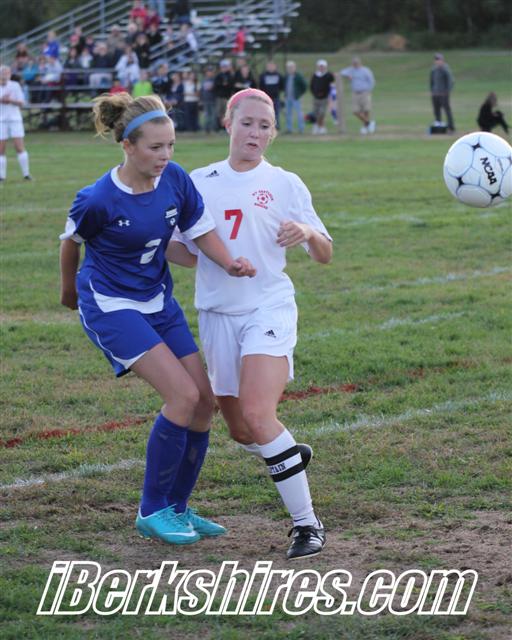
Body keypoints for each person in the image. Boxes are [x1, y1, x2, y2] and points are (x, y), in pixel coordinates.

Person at [59, 92, 256, 546]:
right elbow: (71, 242)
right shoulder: (98, 198)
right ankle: (151, 510)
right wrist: (69, 292)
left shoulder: (175, 179)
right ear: (127, 146)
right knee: (182, 397)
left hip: (157, 301)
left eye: (170, 145)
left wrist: (229, 263)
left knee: (204, 402)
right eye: (155, 147)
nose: (165, 155)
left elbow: (200, 230)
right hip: (111, 304)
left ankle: (178, 508)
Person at [170, 88, 332, 560]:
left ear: (273, 133)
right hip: (217, 313)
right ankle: (286, 452)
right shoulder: (198, 182)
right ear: (228, 123)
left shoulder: (285, 183)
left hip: (268, 308)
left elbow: (324, 253)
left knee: (260, 415)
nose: (255, 132)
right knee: (242, 430)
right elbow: (181, 249)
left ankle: (307, 525)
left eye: (265, 125)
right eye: (247, 123)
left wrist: (307, 232)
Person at [0, 65, 31, 182]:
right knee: (1, 148)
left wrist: (10, 100)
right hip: (1, 120)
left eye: (6, 73)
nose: (4, 76)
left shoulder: (15, 85)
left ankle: (26, 174)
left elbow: (22, 102)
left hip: (15, 119)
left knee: (19, 146)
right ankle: (2, 176)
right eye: (2, 74)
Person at [340, 56, 376, 134]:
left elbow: (371, 81)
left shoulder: (366, 70)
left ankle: (365, 127)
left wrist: (369, 90)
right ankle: (369, 123)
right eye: (354, 63)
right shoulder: (351, 70)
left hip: (364, 92)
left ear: (360, 63)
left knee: (366, 110)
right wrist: (347, 75)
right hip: (355, 93)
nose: (355, 64)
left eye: (356, 63)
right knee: (355, 111)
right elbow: (342, 72)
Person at [430, 53, 455, 133]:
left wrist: (447, 91)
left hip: (443, 94)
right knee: (436, 110)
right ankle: (439, 126)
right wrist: (432, 91)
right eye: (436, 60)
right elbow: (431, 81)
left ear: (442, 60)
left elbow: (451, 81)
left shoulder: (445, 69)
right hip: (435, 94)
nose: (438, 61)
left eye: (439, 60)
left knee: (447, 111)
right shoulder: (433, 70)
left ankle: (451, 127)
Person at [309, 59, 334, 134]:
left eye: (323, 66)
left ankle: (320, 126)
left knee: (322, 113)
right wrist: (315, 93)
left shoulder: (328, 75)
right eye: (320, 66)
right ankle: (317, 127)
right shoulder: (315, 75)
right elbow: (312, 86)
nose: (321, 68)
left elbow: (332, 85)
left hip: (324, 97)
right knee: (315, 113)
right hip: (316, 97)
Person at [259, 60, 284, 130]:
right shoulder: (263, 76)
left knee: (276, 113)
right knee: (266, 113)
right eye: (269, 66)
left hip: (276, 97)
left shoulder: (279, 75)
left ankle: (276, 126)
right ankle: (266, 126)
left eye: (272, 66)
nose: (270, 67)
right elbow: (261, 86)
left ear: (275, 67)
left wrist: (277, 91)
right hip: (266, 98)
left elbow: (282, 85)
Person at [284, 60, 307, 134]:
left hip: (296, 98)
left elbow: (304, 86)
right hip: (288, 98)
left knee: (299, 113)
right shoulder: (286, 76)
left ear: (294, 68)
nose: (290, 69)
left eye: (291, 67)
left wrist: (299, 94)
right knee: (288, 114)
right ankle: (289, 129)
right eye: (288, 67)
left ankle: (301, 129)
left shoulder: (298, 76)